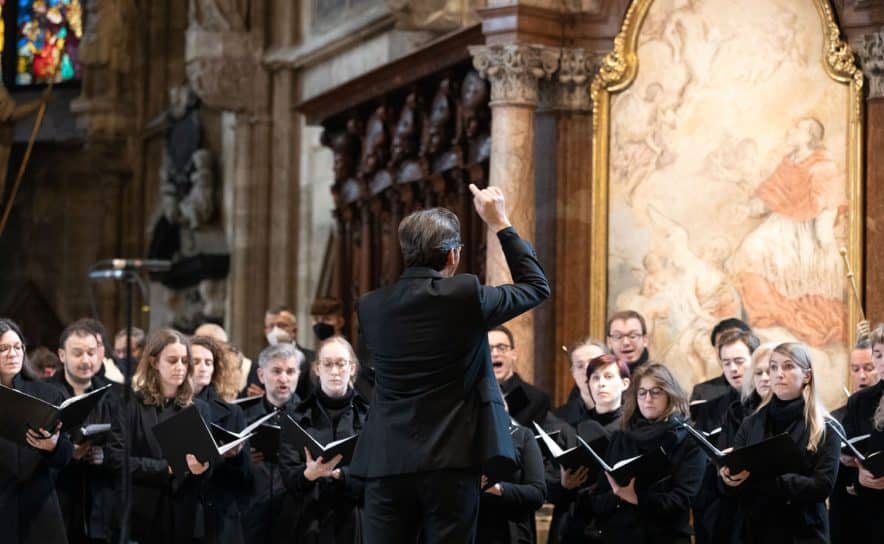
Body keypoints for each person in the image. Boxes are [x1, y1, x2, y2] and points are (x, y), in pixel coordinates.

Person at [354, 184, 550, 543]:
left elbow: (374, 368)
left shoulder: (370, 306)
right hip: (451, 460)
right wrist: (501, 223)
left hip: (385, 460)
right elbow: (536, 286)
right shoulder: (464, 296)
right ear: (452, 256)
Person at [720, 342, 840, 543]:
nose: (777, 373)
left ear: (807, 376)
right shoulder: (751, 423)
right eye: (773, 367)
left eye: (788, 366)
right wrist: (727, 475)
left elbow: (822, 486)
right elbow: (731, 487)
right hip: (756, 531)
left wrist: (763, 480)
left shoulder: (826, 427)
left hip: (804, 533)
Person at [107, 329, 213, 544]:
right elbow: (117, 460)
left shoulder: (199, 408)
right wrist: (166, 469)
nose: (180, 367)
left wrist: (202, 468)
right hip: (143, 512)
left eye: (185, 361)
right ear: (154, 362)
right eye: (172, 360)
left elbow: (205, 463)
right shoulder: (130, 405)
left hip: (186, 514)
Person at [586, 362, 704, 543]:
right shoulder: (621, 437)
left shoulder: (688, 441)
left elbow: (684, 499)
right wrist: (618, 496)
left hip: (666, 536)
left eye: (656, 392)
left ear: (670, 395)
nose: (648, 398)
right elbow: (598, 498)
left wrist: (637, 498)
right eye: (642, 392)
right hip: (619, 535)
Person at [278, 336, 369, 543]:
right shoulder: (295, 415)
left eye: (341, 364)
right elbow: (288, 474)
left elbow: (375, 474)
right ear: (317, 369)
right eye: (327, 364)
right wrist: (308, 475)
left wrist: (340, 475)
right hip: (308, 520)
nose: (335, 371)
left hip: (354, 521)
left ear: (352, 368)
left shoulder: (369, 416)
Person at [0, 318, 73, 543]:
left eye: (17, 347)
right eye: (2, 348)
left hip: (39, 504)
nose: (12, 354)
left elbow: (66, 455)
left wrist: (53, 446)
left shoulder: (49, 394)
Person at [50, 322, 119, 544]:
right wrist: (66, 450)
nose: (86, 360)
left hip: (100, 502)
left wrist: (104, 455)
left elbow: (126, 445)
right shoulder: (45, 391)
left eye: (91, 352)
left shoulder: (114, 395)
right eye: (77, 353)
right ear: (62, 355)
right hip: (57, 498)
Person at [554, 353, 631, 543]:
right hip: (578, 526)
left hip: (620, 527)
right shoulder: (573, 427)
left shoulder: (634, 428)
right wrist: (565, 485)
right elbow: (555, 489)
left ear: (625, 383)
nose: (600, 383)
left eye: (608, 376)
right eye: (595, 378)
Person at [693, 330, 759, 544]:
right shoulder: (711, 409)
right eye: (726, 362)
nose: (733, 368)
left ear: (755, 359)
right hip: (720, 509)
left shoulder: (770, 405)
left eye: (739, 361)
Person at [191, 335, 251, 544]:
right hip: (181, 512)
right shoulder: (168, 408)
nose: (203, 368)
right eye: (196, 362)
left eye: (208, 363)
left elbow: (245, 477)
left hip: (219, 515)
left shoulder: (232, 413)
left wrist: (234, 457)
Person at [241, 343, 303, 544]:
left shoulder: (310, 417)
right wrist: (242, 458)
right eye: (276, 371)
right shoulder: (243, 416)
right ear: (261, 375)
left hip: (296, 514)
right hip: (253, 514)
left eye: (290, 371)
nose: (284, 378)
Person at [477, 394, 546, 544]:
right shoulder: (466, 439)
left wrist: (497, 488)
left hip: (513, 533)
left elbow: (538, 493)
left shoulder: (522, 436)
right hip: (472, 532)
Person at [836, 326, 884, 543]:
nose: (882, 361)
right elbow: (850, 447)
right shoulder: (860, 401)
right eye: (878, 354)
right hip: (869, 508)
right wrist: (861, 474)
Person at [245, 306, 315, 400]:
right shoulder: (258, 363)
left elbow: (314, 398)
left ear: (294, 331)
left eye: (281, 325)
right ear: (265, 331)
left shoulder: (311, 359)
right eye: (271, 326)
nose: (275, 330)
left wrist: (272, 397)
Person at [490, 325, 551, 427]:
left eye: (502, 348)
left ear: (513, 354)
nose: (495, 354)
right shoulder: (472, 397)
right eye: (489, 349)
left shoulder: (536, 398)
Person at [690, 318, 753, 403]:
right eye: (721, 345)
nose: (728, 350)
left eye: (733, 342)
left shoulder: (769, 385)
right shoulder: (703, 392)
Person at [553, 338, 607, 428]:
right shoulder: (557, 420)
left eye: (593, 362)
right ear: (573, 373)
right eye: (580, 366)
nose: (587, 370)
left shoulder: (632, 416)